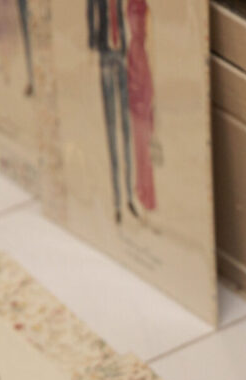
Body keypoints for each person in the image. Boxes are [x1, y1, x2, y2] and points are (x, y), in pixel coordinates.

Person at [87, 0, 136, 223]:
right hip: (106, 57)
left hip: (122, 57)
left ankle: (129, 196)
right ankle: (116, 202)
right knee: (111, 131)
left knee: (126, 130)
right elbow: (91, 14)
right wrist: (93, 44)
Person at [125, 0, 155, 210]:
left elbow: (150, 41)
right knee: (139, 142)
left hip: (141, 65)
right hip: (135, 63)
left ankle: (146, 192)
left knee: (144, 142)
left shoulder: (144, 8)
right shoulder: (130, 5)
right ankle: (141, 189)